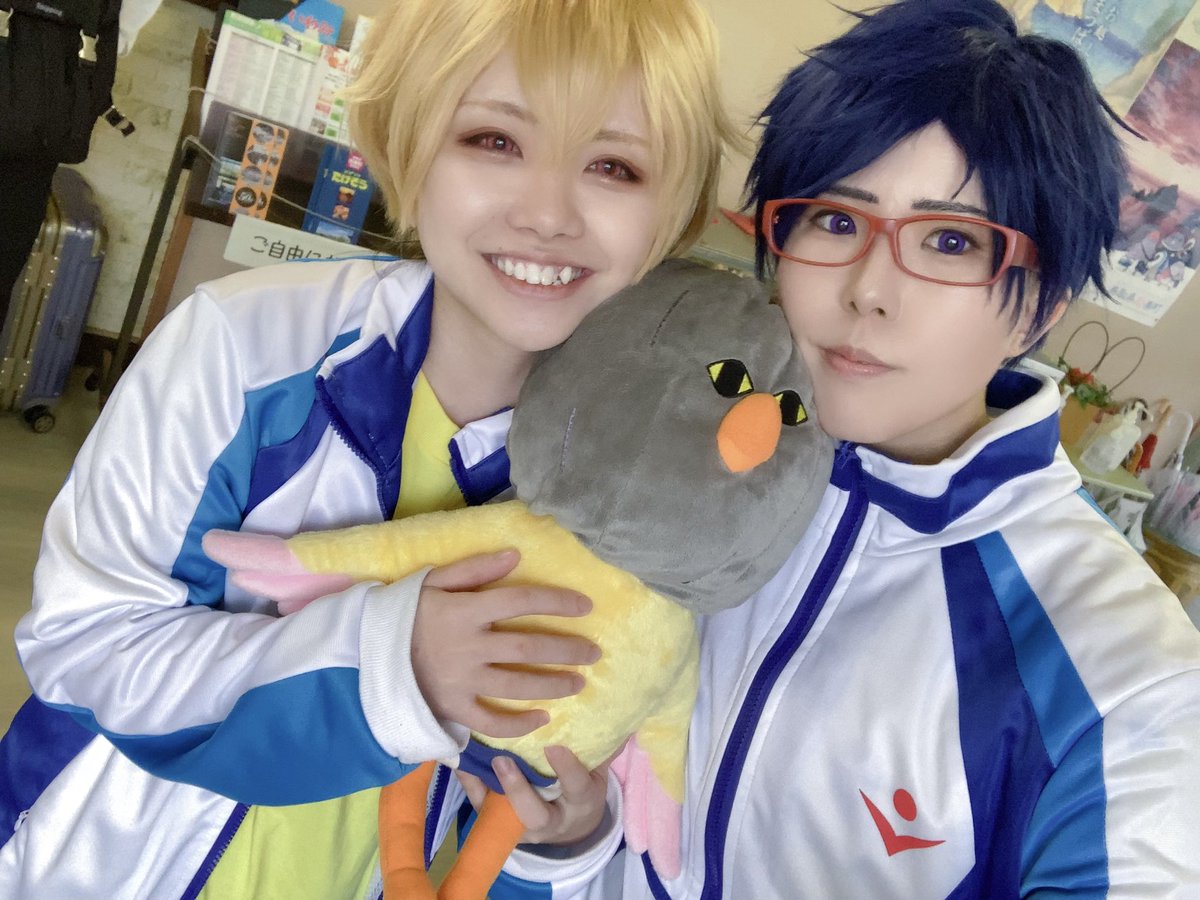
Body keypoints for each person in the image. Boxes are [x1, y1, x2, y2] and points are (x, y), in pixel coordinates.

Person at [413, 0, 1200, 896]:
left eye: (951, 241)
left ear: (1043, 303)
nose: (870, 290)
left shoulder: (1121, 676)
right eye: (835, 220)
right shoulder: (673, 460)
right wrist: (566, 842)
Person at [0, 0, 735, 895]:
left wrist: (559, 839)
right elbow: (87, 648)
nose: (548, 213)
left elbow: (560, 754)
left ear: (672, 215)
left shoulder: (654, 480)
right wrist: (392, 667)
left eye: (614, 166)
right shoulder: (241, 350)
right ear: (407, 143)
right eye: (495, 141)